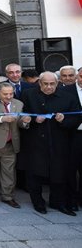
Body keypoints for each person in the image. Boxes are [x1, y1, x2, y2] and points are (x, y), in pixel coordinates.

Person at [21, 71, 80, 216]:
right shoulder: (28, 94)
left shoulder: (68, 97)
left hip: (59, 141)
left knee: (59, 173)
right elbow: (22, 114)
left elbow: (77, 118)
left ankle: (58, 202)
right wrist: (32, 120)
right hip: (36, 141)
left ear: (57, 83)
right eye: (45, 84)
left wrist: (63, 120)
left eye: (52, 84)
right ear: (39, 83)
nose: (49, 87)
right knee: (35, 174)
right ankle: (38, 203)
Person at [0, 82, 29, 208]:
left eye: (11, 93)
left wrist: (25, 122)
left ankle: (8, 196)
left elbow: (20, 123)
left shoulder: (19, 104)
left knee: (9, 172)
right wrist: (2, 119)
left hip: (11, 143)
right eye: (5, 94)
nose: (9, 96)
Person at [62, 67, 82, 210]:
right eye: (81, 76)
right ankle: (71, 200)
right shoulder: (65, 92)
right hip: (73, 135)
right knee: (70, 168)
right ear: (77, 77)